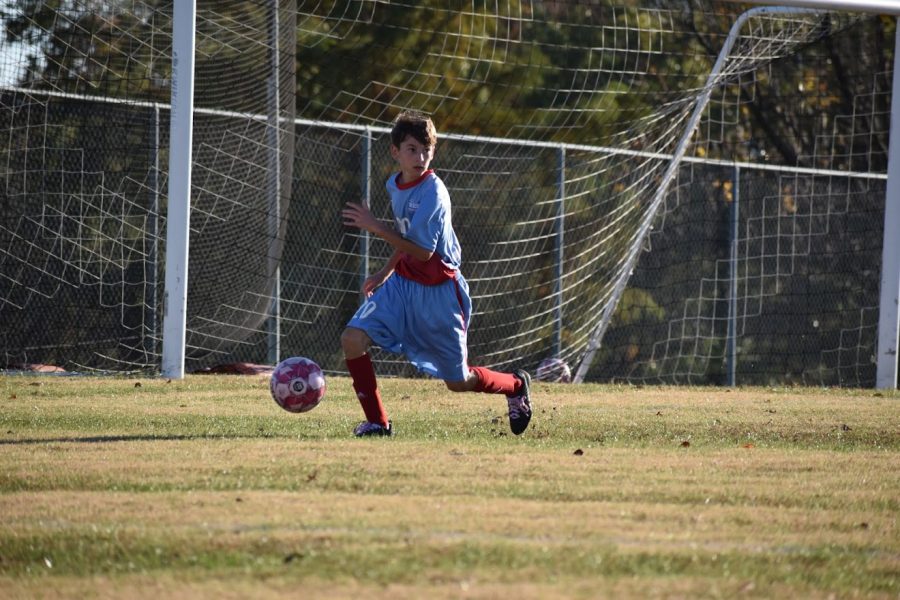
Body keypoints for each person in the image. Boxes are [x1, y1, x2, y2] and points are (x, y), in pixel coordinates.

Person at [340, 110, 532, 437]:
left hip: (440, 293)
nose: (421, 157)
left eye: (427, 149)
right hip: (402, 284)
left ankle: (514, 386)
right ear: (395, 152)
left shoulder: (434, 193)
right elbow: (406, 237)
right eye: (413, 149)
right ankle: (377, 422)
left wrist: (375, 226)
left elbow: (423, 251)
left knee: (458, 383)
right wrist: (385, 273)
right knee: (352, 339)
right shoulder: (396, 184)